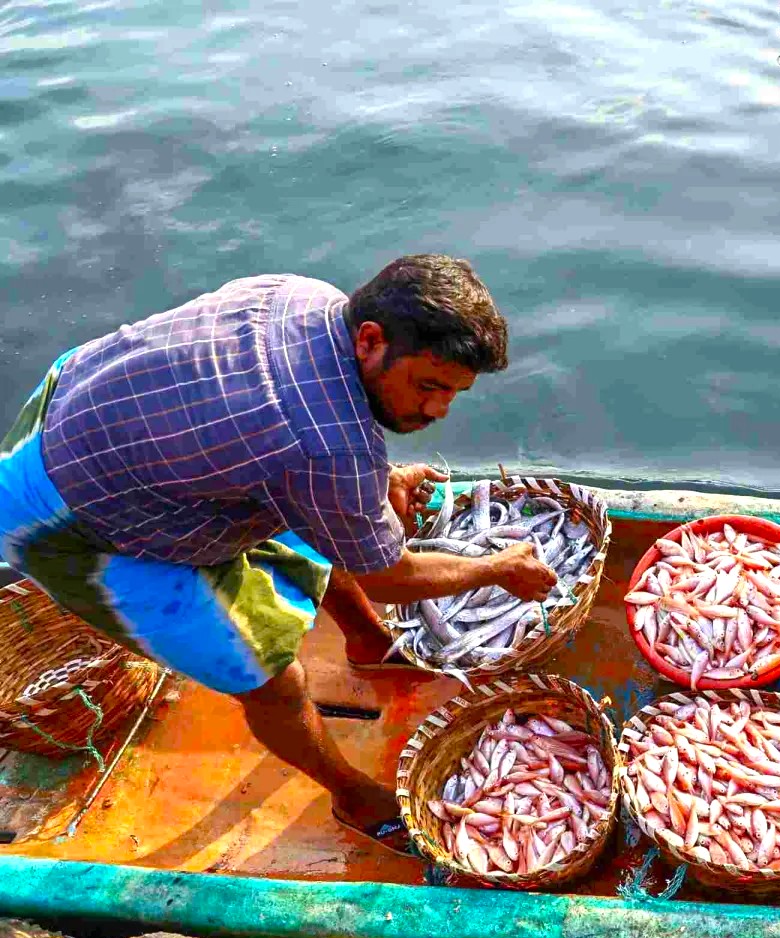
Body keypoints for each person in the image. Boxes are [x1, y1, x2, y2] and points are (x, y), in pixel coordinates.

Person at [0, 255, 556, 851]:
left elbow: (275, 433)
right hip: (68, 513)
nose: (438, 409)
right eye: (428, 385)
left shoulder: (306, 297)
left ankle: (369, 643)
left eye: (454, 393)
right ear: (370, 341)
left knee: (333, 514)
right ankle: (351, 796)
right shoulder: (323, 448)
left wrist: (372, 481)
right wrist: (497, 568)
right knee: (271, 680)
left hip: (84, 399)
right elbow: (388, 574)